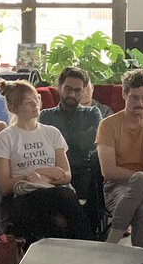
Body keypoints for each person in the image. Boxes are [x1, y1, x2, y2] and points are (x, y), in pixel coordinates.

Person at [0, 79, 90, 241]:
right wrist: (34, 174)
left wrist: (43, 174)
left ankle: (84, 247)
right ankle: (87, 247)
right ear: (13, 108)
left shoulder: (52, 133)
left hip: (53, 190)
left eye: (36, 98)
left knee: (63, 200)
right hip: (25, 195)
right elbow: (4, 186)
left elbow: (66, 175)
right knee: (60, 205)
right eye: (27, 102)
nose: (35, 104)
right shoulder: (6, 138)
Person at [96, 69, 143, 250]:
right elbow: (108, 171)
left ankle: (111, 244)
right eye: (135, 98)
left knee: (141, 180)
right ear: (124, 94)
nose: (141, 103)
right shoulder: (108, 125)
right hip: (117, 187)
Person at [40, 66, 103, 235]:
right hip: (55, 172)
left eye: (77, 90)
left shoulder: (92, 113)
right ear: (59, 87)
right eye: (68, 89)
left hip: (85, 171)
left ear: (83, 92)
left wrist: (61, 142)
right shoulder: (45, 116)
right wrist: (81, 138)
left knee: (98, 167)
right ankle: (85, 236)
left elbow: (94, 142)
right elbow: (44, 148)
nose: (72, 95)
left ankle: (84, 233)